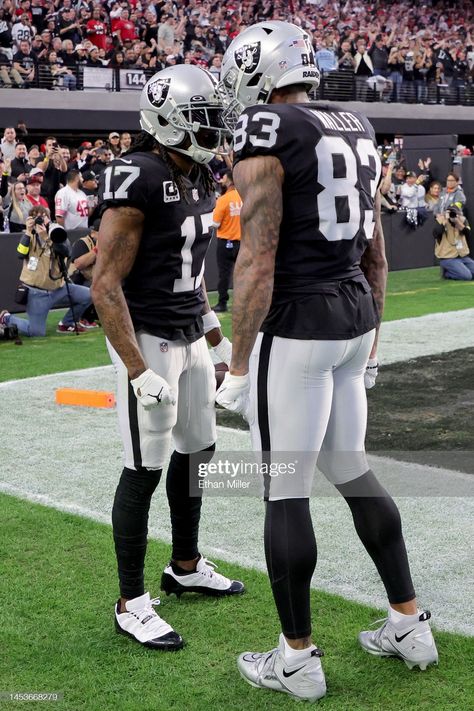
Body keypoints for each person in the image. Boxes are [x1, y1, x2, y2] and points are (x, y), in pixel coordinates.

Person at [216, 20, 438, 703]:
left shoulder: (267, 129)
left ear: (261, 70)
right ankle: (408, 620)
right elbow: (374, 248)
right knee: (350, 466)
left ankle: (296, 657)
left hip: (300, 322)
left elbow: (256, 257)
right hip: (350, 317)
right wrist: (371, 339)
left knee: (284, 484)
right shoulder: (356, 122)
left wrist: (238, 365)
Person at [91, 64, 244, 652]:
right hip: (148, 337)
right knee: (144, 465)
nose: (213, 129)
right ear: (170, 121)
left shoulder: (200, 175)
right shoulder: (139, 177)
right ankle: (130, 601)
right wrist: (136, 370)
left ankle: (184, 564)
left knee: (199, 449)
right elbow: (106, 285)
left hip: (186, 332)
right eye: (204, 118)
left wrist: (214, 335)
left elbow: (191, 275)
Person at [0, 205, 92, 335]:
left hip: (59, 288)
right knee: (36, 332)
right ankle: (6, 318)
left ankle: (66, 324)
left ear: (49, 218)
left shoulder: (57, 233)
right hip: (37, 293)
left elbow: (67, 251)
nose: (41, 220)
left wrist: (46, 237)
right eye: (36, 217)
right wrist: (28, 231)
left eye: (43, 216)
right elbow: (20, 254)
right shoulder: (29, 236)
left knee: (89, 295)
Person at [212, 169, 242, 312]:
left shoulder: (223, 200)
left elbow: (215, 224)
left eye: (223, 178)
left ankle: (222, 303)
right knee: (243, 275)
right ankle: (243, 303)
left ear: (229, 180)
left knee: (224, 275)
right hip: (242, 242)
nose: (221, 181)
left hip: (225, 242)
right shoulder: (243, 197)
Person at [434, 206, 473, 280]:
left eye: (454, 213)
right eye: (451, 213)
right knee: (467, 276)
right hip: (448, 258)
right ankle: (447, 273)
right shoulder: (441, 219)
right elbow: (436, 233)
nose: (452, 215)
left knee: (469, 274)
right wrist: (444, 220)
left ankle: (458, 270)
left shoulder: (462, 220)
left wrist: (457, 222)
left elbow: (468, 234)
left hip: (463, 256)